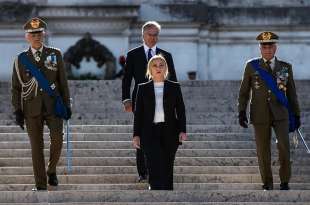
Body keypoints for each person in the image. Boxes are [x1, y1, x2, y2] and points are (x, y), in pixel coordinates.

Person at [11, 17, 71, 191]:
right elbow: (15, 87)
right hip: (31, 108)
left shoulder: (55, 54)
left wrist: (67, 105)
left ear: (43, 34)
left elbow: (63, 82)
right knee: (36, 148)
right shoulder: (21, 59)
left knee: (58, 140)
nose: (36, 36)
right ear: (26, 37)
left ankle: (51, 170)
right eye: (32, 34)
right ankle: (40, 185)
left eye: (39, 33)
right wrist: (17, 110)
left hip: (54, 105)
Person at [238, 31, 301, 191]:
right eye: (264, 46)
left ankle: (284, 181)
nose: (267, 49)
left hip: (281, 114)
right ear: (260, 48)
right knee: (263, 150)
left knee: (284, 148)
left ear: (275, 47)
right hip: (259, 114)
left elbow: (291, 93)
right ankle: (267, 183)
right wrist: (241, 111)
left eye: (270, 46)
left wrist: (297, 114)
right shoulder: (251, 66)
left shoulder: (285, 67)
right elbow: (244, 91)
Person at [122, 21, 178, 182]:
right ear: (143, 35)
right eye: (150, 35)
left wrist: (174, 103)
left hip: (163, 101)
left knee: (162, 135)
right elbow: (126, 80)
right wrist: (126, 99)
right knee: (141, 134)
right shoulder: (133, 55)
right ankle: (143, 172)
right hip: (141, 102)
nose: (153, 38)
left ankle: (160, 168)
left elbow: (173, 80)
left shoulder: (166, 55)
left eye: (156, 35)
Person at [132, 55, 186, 190]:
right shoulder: (142, 88)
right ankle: (154, 191)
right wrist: (136, 135)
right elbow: (138, 114)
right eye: (155, 65)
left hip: (170, 131)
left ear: (166, 68)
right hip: (149, 132)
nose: (158, 68)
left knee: (167, 164)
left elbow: (181, 110)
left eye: (161, 65)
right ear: (150, 69)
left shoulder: (174, 87)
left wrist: (182, 130)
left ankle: (167, 194)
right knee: (152, 163)